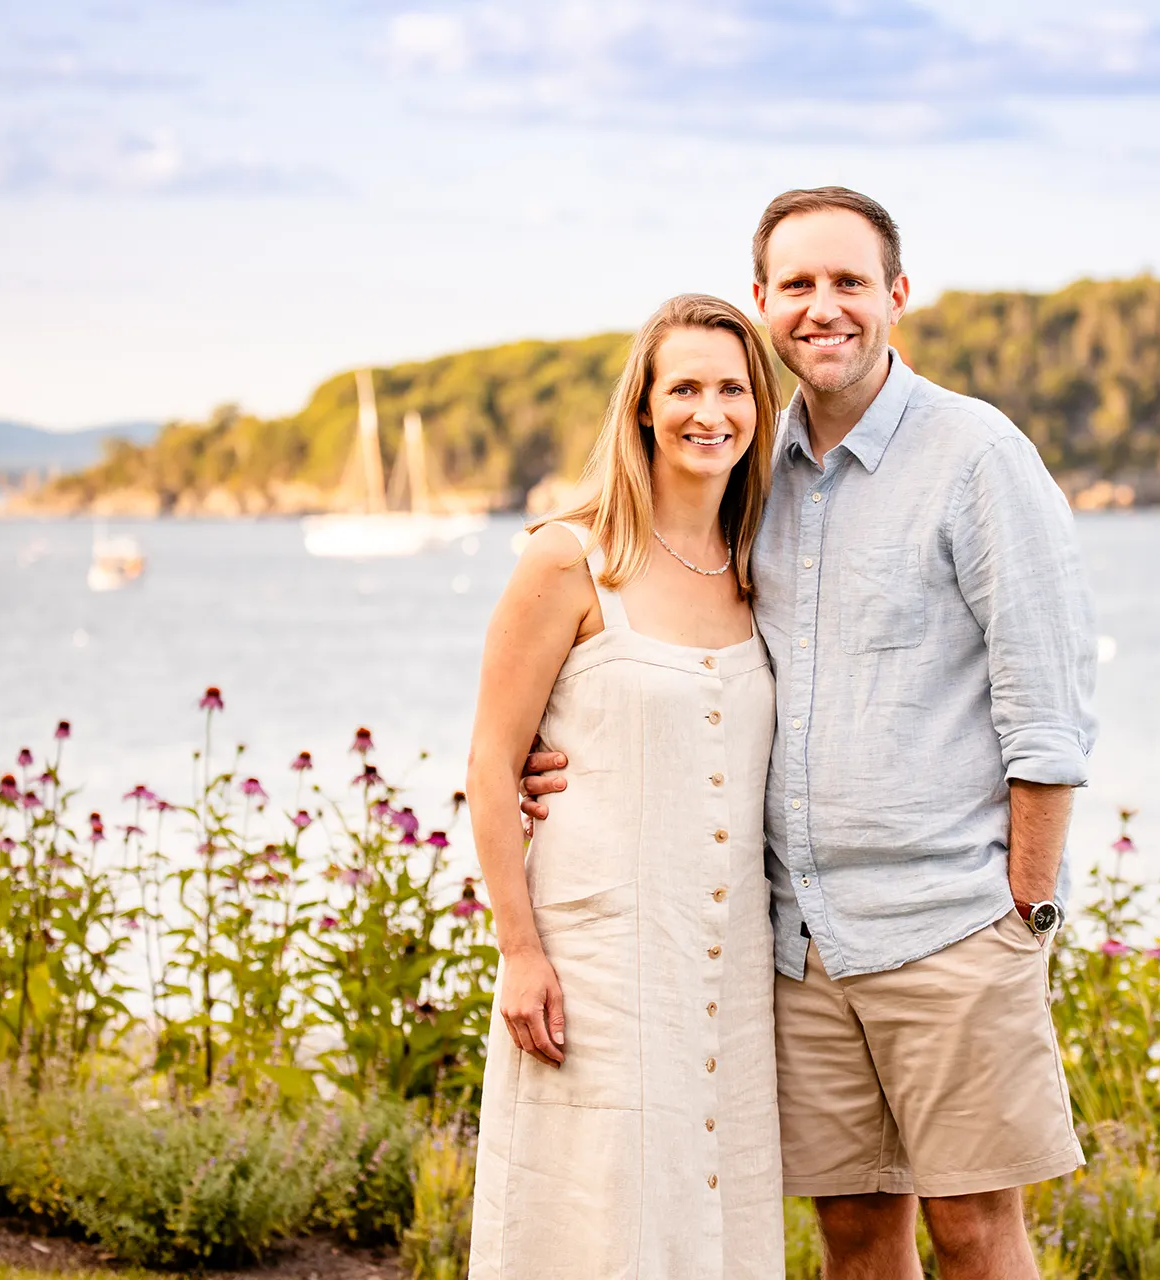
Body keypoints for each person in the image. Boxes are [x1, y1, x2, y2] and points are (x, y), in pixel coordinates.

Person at [523, 188, 1099, 1280]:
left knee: (975, 1231)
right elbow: (670, 646)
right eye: (797, 284)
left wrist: (1025, 905)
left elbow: (1049, 708)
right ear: (763, 300)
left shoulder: (978, 456)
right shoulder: (747, 473)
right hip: (794, 942)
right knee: (852, 1235)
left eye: (847, 281)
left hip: (949, 926)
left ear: (897, 295)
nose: (822, 306)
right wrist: (570, 758)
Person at [466, 293, 786, 1279]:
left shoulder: (760, 567)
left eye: (732, 387)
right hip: (598, 954)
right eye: (683, 386)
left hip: (730, 967)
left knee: (711, 1216)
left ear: (758, 407)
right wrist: (521, 950)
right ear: (643, 406)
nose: (710, 410)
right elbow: (488, 762)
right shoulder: (571, 557)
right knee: (592, 1216)